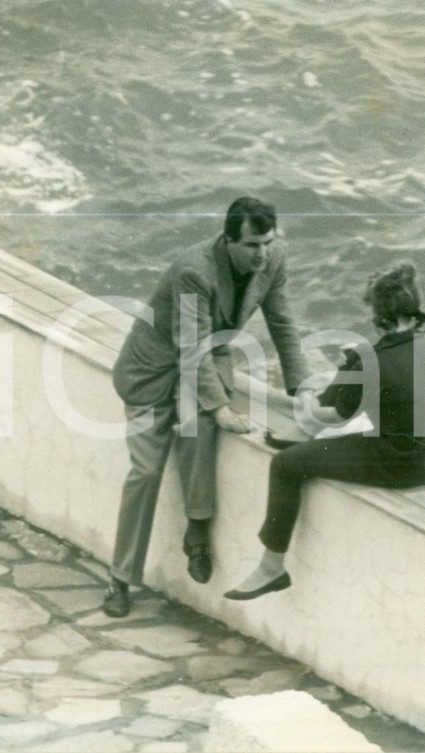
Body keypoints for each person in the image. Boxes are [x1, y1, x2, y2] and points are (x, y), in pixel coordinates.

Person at [105, 196, 309, 617]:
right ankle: (121, 579)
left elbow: (284, 324)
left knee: (201, 428)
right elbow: (190, 347)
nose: (263, 253)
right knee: (145, 471)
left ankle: (196, 531)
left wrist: (301, 388)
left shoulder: (273, 260)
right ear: (229, 240)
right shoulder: (193, 269)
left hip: (204, 360)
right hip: (153, 366)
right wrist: (219, 407)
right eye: (253, 245)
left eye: (268, 242)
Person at [225, 263, 425, 600]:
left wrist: (311, 396)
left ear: (377, 313)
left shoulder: (369, 359)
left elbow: (331, 418)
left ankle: (271, 566)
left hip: (403, 464)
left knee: (285, 464)